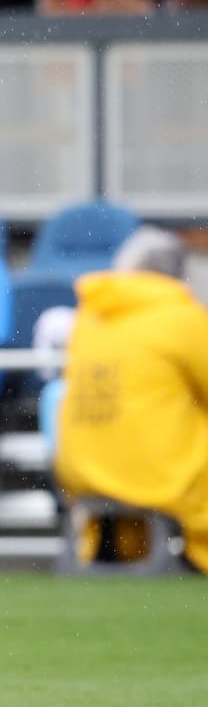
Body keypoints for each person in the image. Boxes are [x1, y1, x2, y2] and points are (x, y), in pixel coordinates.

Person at [53, 226, 208, 574]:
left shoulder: (90, 316)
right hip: (152, 472)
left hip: (79, 470)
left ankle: (115, 545)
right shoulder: (182, 317)